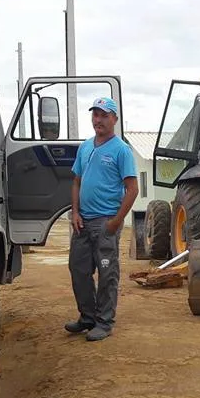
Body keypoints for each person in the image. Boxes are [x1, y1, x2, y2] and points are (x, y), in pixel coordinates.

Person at [65, 96, 138, 341]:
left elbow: (132, 189)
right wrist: (75, 212)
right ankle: (87, 317)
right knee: (78, 269)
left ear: (114, 119)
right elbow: (76, 181)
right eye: (95, 115)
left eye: (104, 115)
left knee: (107, 273)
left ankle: (104, 322)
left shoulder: (121, 150)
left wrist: (116, 222)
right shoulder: (85, 147)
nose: (99, 120)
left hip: (106, 221)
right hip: (82, 222)